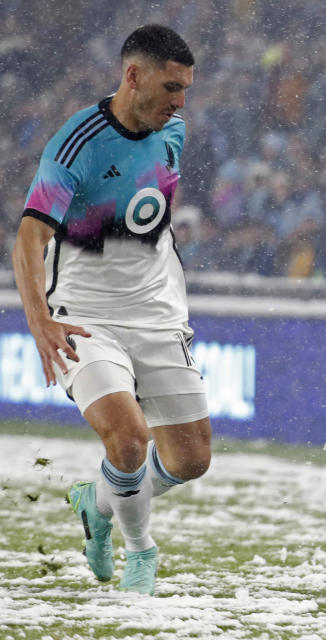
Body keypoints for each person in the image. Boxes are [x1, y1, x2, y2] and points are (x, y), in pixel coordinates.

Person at [12, 25, 210, 595]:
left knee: (191, 459)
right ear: (133, 76)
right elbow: (28, 239)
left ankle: (95, 502)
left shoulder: (172, 129)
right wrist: (39, 320)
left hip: (159, 313)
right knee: (127, 440)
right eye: (171, 87)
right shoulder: (75, 144)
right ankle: (140, 552)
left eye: (186, 90)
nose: (179, 102)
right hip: (85, 314)